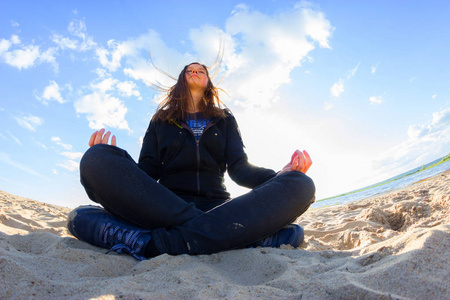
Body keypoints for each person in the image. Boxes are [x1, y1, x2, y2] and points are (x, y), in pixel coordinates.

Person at [67, 62, 315, 260]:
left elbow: (239, 169)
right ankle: (228, 238)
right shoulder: (160, 121)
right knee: (95, 160)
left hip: (218, 208)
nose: (195, 72)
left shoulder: (224, 119)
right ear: (181, 79)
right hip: (165, 207)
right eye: (190, 70)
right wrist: (116, 165)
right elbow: (147, 170)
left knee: (301, 184)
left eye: (201, 70)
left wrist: (278, 178)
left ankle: (151, 243)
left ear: (208, 81)